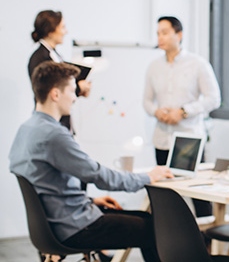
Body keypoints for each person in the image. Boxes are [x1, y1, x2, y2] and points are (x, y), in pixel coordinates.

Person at [9, 61, 173, 262]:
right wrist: (148, 176)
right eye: (71, 90)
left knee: (149, 221)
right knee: (157, 229)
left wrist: (91, 201)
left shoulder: (26, 129)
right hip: (75, 227)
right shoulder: (53, 135)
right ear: (55, 94)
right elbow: (100, 176)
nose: (75, 97)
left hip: (55, 224)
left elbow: (45, 188)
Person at [143, 16, 221, 216]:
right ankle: (167, 244)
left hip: (189, 139)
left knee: (199, 196)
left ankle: (205, 244)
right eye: (158, 33)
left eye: (165, 32)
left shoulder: (197, 63)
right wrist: (156, 112)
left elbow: (214, 98)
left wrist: (184, 111)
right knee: (164, 197)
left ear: (179, 34)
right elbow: (147, 101)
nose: (160, 37)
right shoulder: (153, 67)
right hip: (162, 138)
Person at [28, 10, 92, 130]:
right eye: (62, 27)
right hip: (51, 123)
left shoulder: (55, 55)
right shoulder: (40, 58)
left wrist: (79, 90)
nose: (66, 31)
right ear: (51, 30)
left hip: (60, 122)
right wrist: (79, 87)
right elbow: (49, 91)